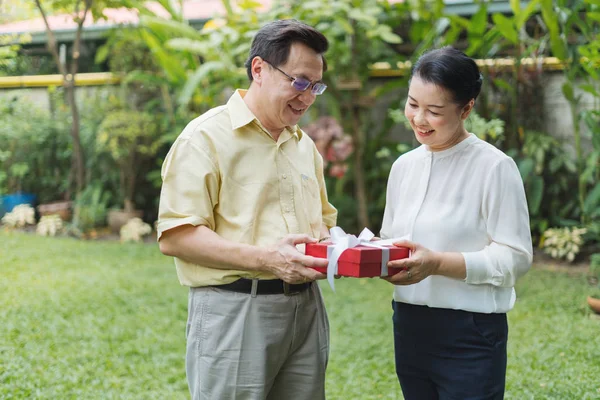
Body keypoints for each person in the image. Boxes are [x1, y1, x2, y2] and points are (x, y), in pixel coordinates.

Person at [156, 19, 337, 400]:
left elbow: (322, 223)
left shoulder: (303, 145)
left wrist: (345, 250)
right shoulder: (204, 138)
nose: (307, 97)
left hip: (306, 310)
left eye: (315, 86)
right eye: (299, 82)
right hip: (235, 310)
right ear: (259, 69)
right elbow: (176, 237)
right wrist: (269, 260)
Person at [380, 46, 533, 400]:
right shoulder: (403, 167)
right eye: (413, 104)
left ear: (466, 108)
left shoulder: (494, 167)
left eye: (434, 111)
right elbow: (391, 239)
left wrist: (436, 263)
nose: (419, 119)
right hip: (408, 325)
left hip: (471, 333)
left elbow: (515, 258)